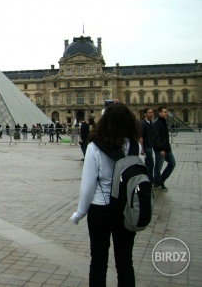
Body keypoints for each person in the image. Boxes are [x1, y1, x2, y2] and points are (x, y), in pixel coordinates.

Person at [69, 103, 141, 286]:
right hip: (125, 209)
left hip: (100, 210)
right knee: (125, 263)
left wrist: (79, 213)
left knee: (98, 262)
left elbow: (88, 186)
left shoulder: (94, 148)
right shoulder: (135, 147)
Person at [152, 106, 176, 192]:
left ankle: (160, 180)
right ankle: (158, 183)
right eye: (164, 112)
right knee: (158, 167)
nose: (166, 113)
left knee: (172, 163)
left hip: (167, 148)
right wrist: (161, 149)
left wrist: (167, 147)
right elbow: (156, 137)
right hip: (160, 149)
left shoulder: (164, 122)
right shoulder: (156, 123)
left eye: (166, 112)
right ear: (159, 113)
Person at [140, 107, 155, 182]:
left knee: (149, 164)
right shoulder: (142, 123)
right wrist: (142, 148)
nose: (151, 114)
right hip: (146, 147)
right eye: (149, 112)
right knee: (150, 164)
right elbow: (141, 137)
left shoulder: (151, 123)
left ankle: (149, 180)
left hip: (149, 146)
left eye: (152, 112)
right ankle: (149, 180)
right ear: (145, 114)